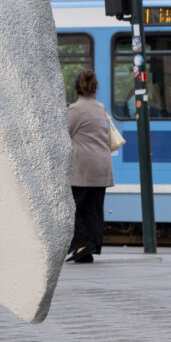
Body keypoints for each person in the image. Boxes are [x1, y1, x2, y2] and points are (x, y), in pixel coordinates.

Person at [68, 69, 114, 263]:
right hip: (102, 166)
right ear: (95, 88)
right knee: (93, 210)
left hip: (83, 168)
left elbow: (64, 133)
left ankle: (82, 244)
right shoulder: (100, 107)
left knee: (72, 208)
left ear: (77, 88)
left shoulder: (75, 109)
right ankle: (88, 247)